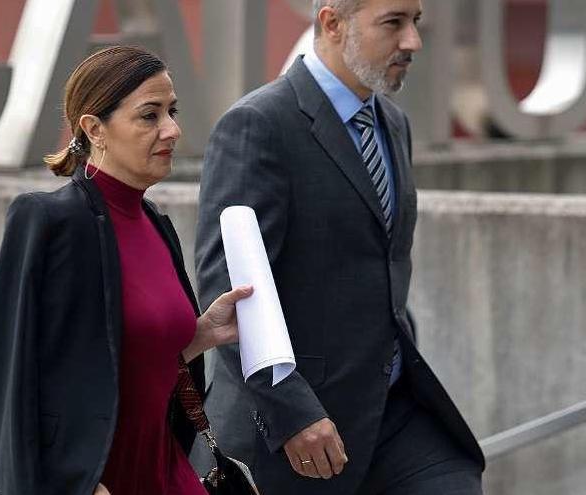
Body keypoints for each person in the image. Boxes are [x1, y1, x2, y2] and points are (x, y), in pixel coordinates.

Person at [194, 1, 485, 494]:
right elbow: (229, 290)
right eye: (394, 23)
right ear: (332, 23)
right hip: (292, 431)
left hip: (394, 411)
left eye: (416, 22)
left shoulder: (393, 123)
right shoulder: (257, 126)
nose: (413, 41)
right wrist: (291, 411)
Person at [0, 45, 252, 495]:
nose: (172, 129)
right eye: (149, 115)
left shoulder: (155, 222)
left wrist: (202, 335)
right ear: (94, 128)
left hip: (162, 468)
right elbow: (13, 378)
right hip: (82, 480)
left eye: (172, 111)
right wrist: (70, 484)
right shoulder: (47, 221)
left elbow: (126, 357)